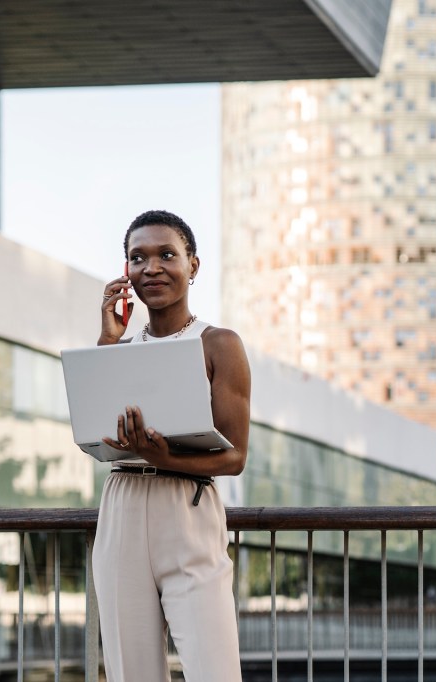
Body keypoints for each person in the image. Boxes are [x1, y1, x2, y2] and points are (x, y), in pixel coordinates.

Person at [92, 209, 251, 682]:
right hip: (121, 505)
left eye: (167, 254)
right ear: (126, 273)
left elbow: (236, 457)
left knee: (215, 671)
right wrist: (107, 339)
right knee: (130, 673)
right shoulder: (115, 350)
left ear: (193, 266)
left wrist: (167, 458)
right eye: (137, 258)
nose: (152, 267)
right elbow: (95, 437)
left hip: (188, 507)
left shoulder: (219, 343)